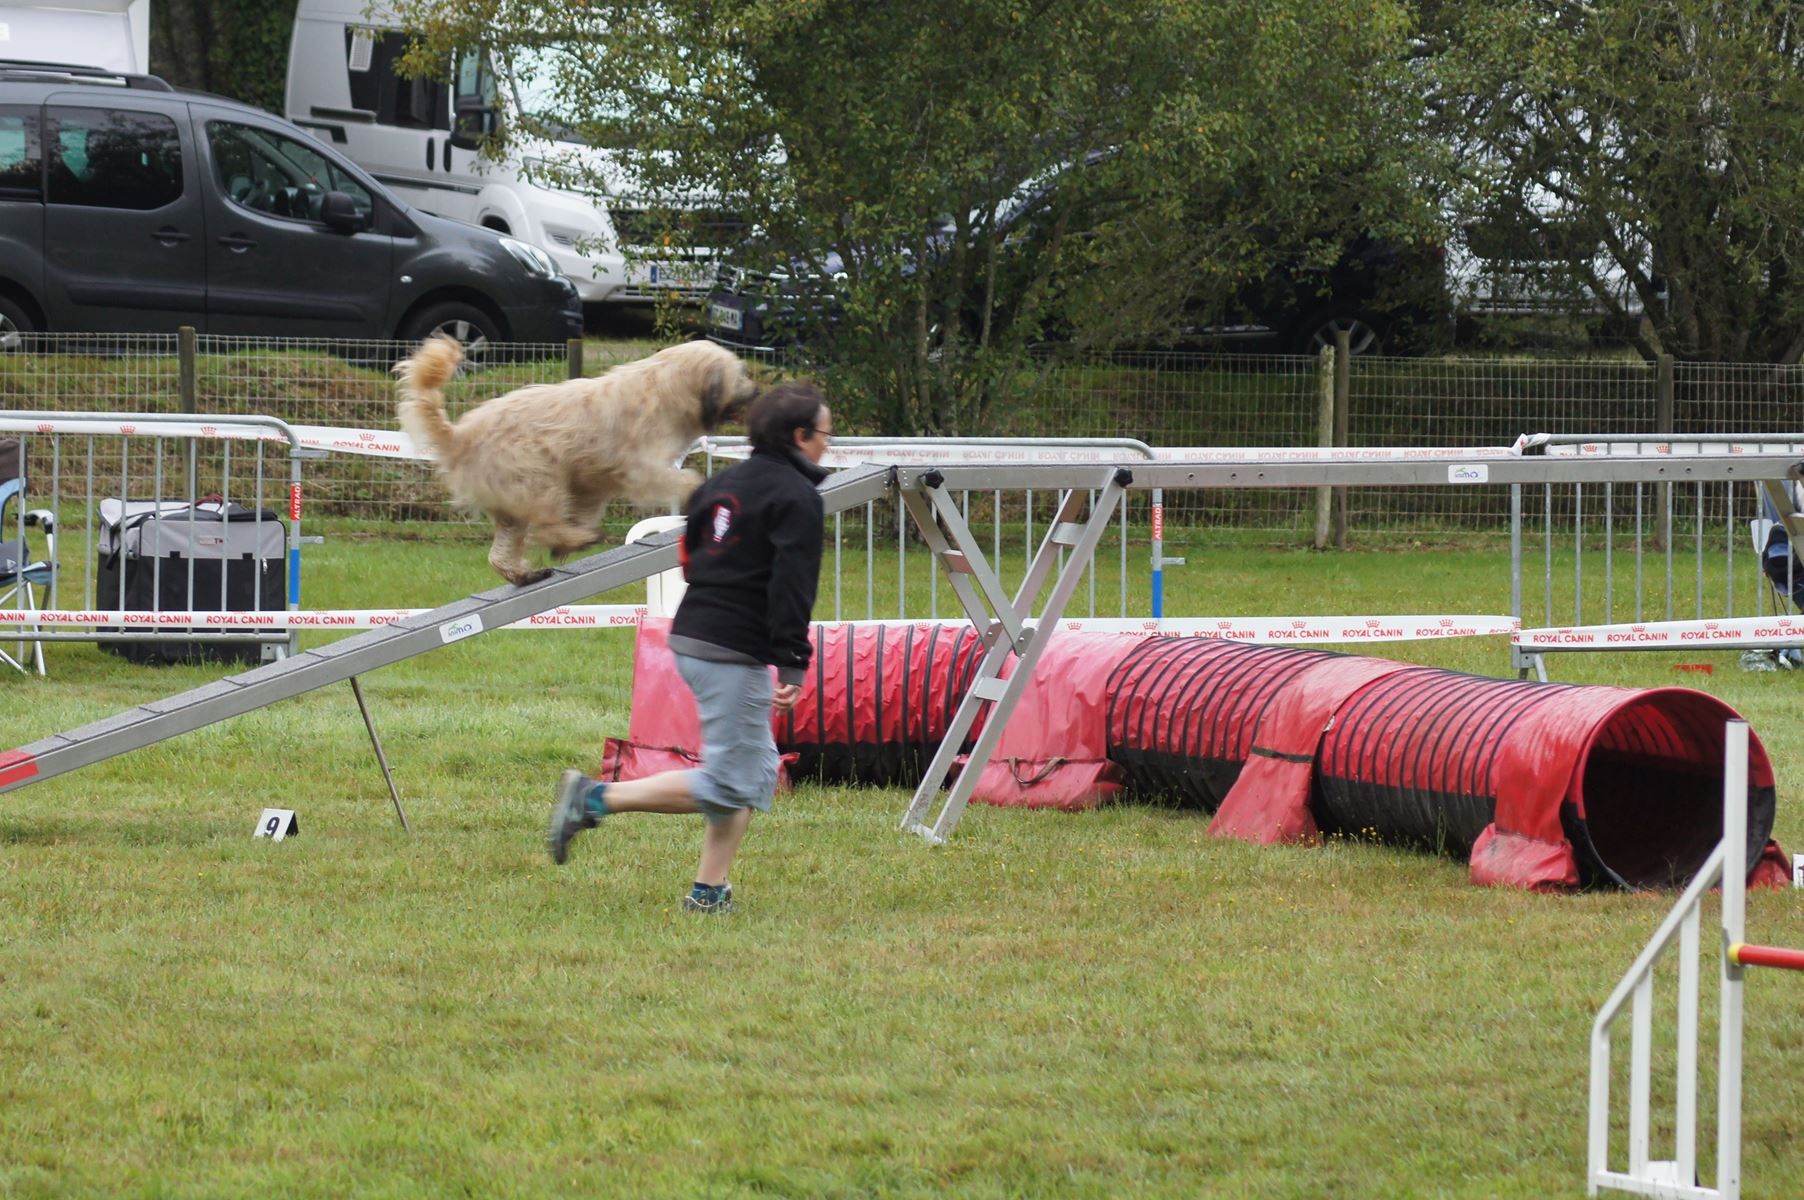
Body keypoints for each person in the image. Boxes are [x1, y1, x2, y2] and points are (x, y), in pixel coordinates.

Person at [546, 380, 832, 912]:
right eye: (825, 433)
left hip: (693, 634)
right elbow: (792, 587)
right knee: (731, 781)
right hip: (731, 650)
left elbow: (690, 556)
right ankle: (594, 798)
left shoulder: (719, 485)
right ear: (799, 435)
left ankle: (709, 890)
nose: (828, 443)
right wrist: (793, 662)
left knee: (750, 772)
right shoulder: (797, 498)